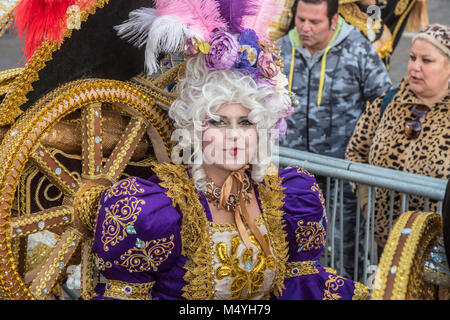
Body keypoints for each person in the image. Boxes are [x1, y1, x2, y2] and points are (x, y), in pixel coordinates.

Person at [90, 0, 369, 300]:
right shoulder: (154, 214)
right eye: (218, 123)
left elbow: (302, 289)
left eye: (246, 123)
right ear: (194, 129)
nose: (234, 136)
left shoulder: (289, 201)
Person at [276, 0, 392, 279]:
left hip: (342, 178)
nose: (305, 28)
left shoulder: (358, 49)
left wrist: (367, 153)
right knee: (287, 249)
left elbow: (384, 102)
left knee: (343, 256)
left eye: (314, 22)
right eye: (300, 19)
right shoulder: (279, 50)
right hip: (289, 176)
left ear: (333, 19)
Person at [345, 24, 450, 247]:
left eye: (427, 61)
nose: (415, 67)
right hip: (389, 245)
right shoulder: (388, 102)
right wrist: (366, 203)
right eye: (412, 58)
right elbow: (356, 152)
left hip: (440, 251)